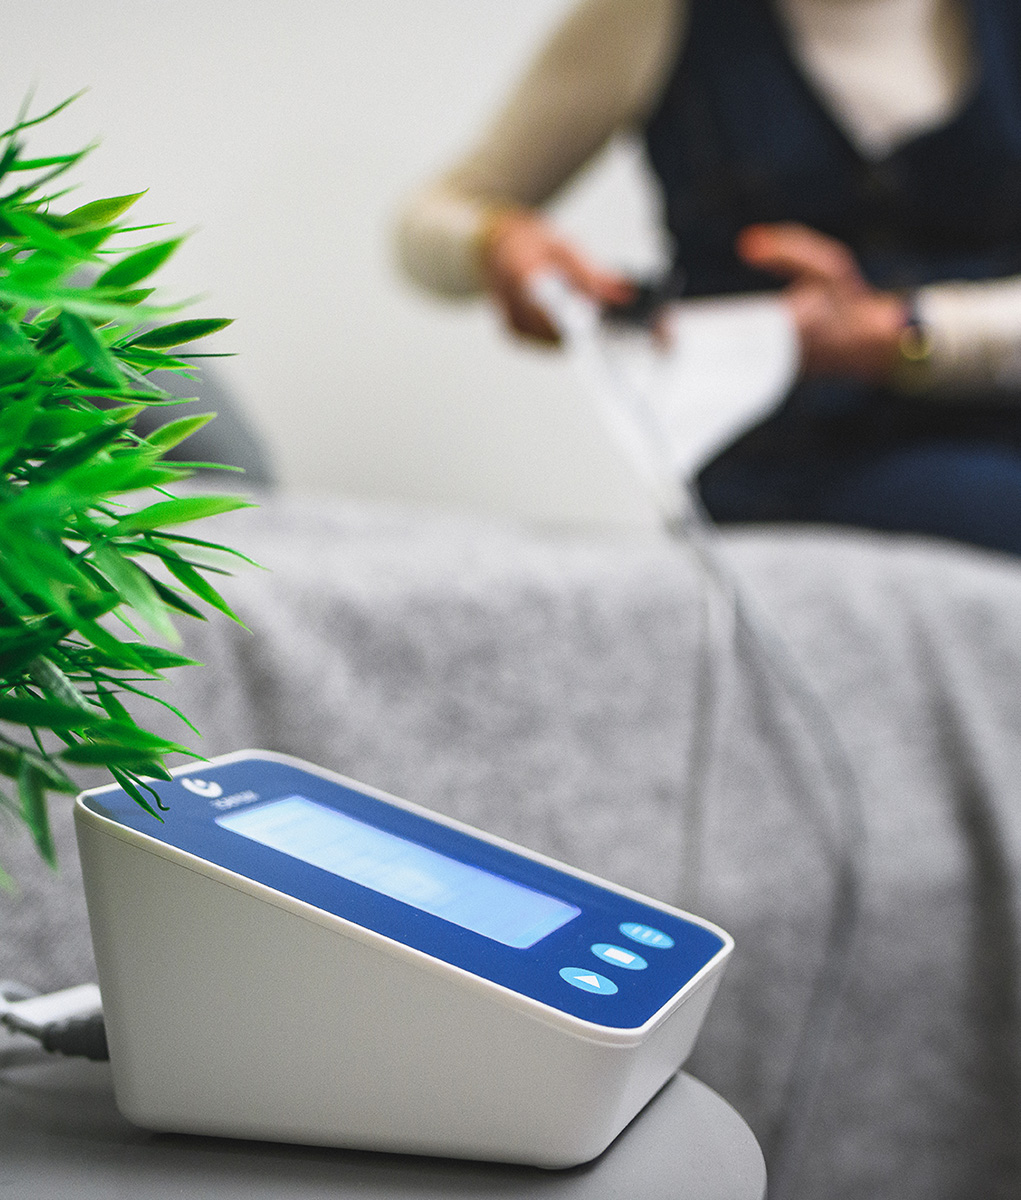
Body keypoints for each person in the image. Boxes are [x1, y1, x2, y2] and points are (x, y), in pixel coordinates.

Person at [396, 0, 1021, 556]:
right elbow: (431, 219)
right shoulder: (655, 15)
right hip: (787, 469)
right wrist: (498, 244)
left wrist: (904, 334)